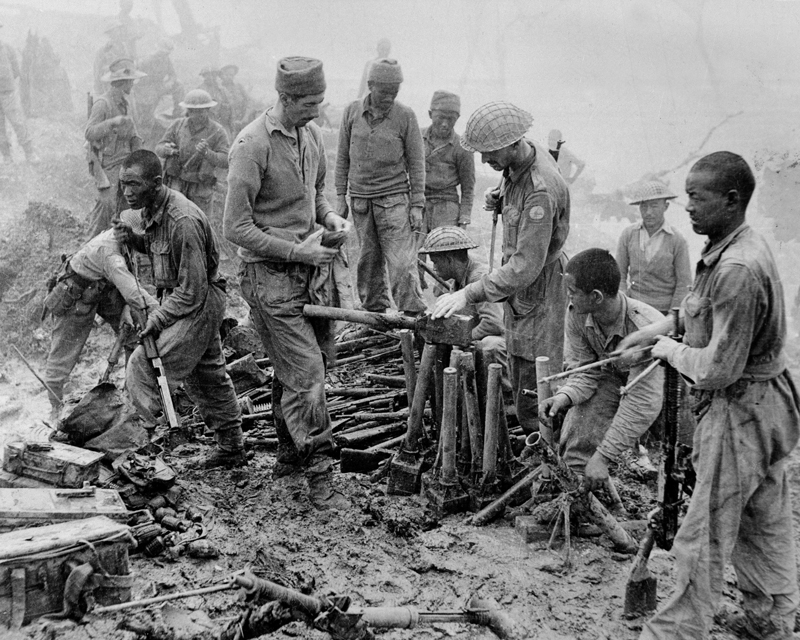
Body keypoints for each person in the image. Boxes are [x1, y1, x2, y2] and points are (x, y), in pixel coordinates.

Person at [618, 152, 799, 640]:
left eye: (698, 197)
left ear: (732, 200)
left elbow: (718, 369)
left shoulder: (738, 266)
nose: (689, 207)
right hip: (767, 405)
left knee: (703, 533)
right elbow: (699, 311)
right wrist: (655, 330)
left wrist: (667, 350)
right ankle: (772, 621)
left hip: (741, 408)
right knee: (764, 521)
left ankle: (673, 633)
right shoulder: (732, 245)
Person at [224, 57, 353, 509]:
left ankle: (287, 454)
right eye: (309, 103)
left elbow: (316, 194)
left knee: (305, 363)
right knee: (308, 373)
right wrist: (298, 251)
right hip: (267, 278)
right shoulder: (251, 145)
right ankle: (319, 474)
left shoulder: (310, 134)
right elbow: (235, 228)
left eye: (321, 101)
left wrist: (330, 215)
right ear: (285, 98)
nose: (317, 111)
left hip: (307, 275)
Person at [433, 101, 570, 434]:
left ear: (513, 142)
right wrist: (503, 195)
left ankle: (550, 460)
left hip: (539, 288)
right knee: (519, 366)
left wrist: (470, 292)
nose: (483, 161)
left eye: (489, 153)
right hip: (519, 291)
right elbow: (516, 186)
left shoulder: (540, 190)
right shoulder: (523, 158)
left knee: (536, 382)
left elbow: (526, 266)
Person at [116, 149, 246, 469]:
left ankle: (135, 453)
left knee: (144, 365)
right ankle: (232, 449)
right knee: (208, 375)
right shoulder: (152, 208)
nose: (126, 193)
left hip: (199, 302)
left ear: (156, 183)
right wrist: (133, 240)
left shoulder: (182, 219)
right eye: (122, 185)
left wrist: (158, 318)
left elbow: (191, 290)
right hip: (186, 297)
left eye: (133, 185)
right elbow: (159, 247)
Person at [538, 249, 664, 483]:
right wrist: (563, 397)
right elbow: (584, 372)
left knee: (677, 461)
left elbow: (641, 402)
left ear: (596, 297)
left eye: (572, 292)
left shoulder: (644, 326)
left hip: (665, 390)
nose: (568, 297)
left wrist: (604, 456)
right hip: (615, 380)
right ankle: (575, 483)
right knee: (581, 416)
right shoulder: (578, 315)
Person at [43, 209, 158, 421]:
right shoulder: (110, 252)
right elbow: (133, 292)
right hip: (77, 294)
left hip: (105, 288)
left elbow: (130, 281)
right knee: (62, 355)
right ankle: (55, 409)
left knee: (133, 331)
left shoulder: (124, 246)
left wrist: (127, 308)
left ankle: (131, 392)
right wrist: (161, 309)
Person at [335, 58, 426, 316]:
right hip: (361, 202)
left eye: (395, 91)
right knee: (367, 260)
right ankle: (374, 313)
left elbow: (417, 163)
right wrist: (341, 196)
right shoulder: (352, 112)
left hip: (394, 201)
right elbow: (343, 157)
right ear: (371, 85)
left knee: (401, 262)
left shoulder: (405, 116)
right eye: (384, 91)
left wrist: (417, 205)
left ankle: (412, 315)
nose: (389, 96)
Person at [418, 226, 510, 395]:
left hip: (507, 345)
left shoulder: (479, 277)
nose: (434, 267)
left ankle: (507, 399)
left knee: (489, 345)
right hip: (490, 343)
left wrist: (462, 340)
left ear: (449, 259)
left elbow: (494, 324)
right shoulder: (459, 280)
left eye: (436, 261)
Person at [85, 58, 144, 238]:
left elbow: (132, 132)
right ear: (122, 82)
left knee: (129, 207)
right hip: (108, 165)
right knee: (107, 205)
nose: (132, 84)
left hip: (125, 163)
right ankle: (88, 246)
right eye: (130, 81)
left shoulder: (124, 103)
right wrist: (111, 123)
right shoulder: (103, 104)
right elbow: (89, 133)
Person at [616, 180, 692, 315]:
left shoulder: (677, 240)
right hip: (634, 308)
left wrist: (671, 317)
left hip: (663, 311)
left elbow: (683, 284)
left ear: (666, 206)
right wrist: (623, 306)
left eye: (654, 206)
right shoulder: (628, 235)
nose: (648, 212)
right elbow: (619, 275)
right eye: (644, 207)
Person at [155, 89, 230, 218]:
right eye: (194, 110)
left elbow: (225, 160)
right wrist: (167, 150)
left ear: (208, 110)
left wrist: (207, 153)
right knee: (173, 220)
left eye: (203, 110)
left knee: (200, 223)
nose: (199, 114)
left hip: (201, 187)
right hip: (176, 184)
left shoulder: (217, 131)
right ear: (188, 110)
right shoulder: (177, 125)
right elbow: (159, 147)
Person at [422, 90, 475, 231]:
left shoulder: (462, 147)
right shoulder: (416, 138)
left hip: (447, 206)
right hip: (418, 203)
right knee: (413, 250)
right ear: (430, 114)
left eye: (451, 119)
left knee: (444, 249)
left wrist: (464, 219)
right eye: (440, 117)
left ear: (457, 118)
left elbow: (468, 187)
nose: (445, 124)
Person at [0, 25, 39, 163]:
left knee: (18, 122)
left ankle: (30, 153)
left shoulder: (7, 48)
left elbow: (16, 70)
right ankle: (6, 156)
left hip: (8, 93)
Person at [135, 38, 182, 144]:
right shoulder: (146, 60)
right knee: (148, 110)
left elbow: (173, 74)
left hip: (160, 85)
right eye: (163, 53)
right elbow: (137, 79)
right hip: (145, 87)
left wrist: (170, 82)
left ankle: (178, 113)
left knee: (178, 85)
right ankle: (145, 135)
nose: (165, 55)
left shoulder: (166, 59)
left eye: (167, 53)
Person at [93, 22, 130, 96]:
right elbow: (97, 71)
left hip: (124, 85)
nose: (119, 33)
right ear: (110, 34)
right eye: (116, 31)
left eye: (120, 30)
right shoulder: (103, 51)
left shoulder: (125, 49)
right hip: (109, 86)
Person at [198, 67, 233, 134]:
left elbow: (230, 108)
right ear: (204, 76)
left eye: (214, 74)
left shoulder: (222, 90)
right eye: (208, 74)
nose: (211, 77)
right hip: (204, 125)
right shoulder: (199, 90)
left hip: (221, 124)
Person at [219, 64, 250, 135]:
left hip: (241, 122)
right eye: (226, 75)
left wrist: (245, 117)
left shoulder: (239, 87)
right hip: (226, 124)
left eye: (231, 75)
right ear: (221, 76)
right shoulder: (219, 89)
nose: (229, 77)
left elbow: (249, 102)